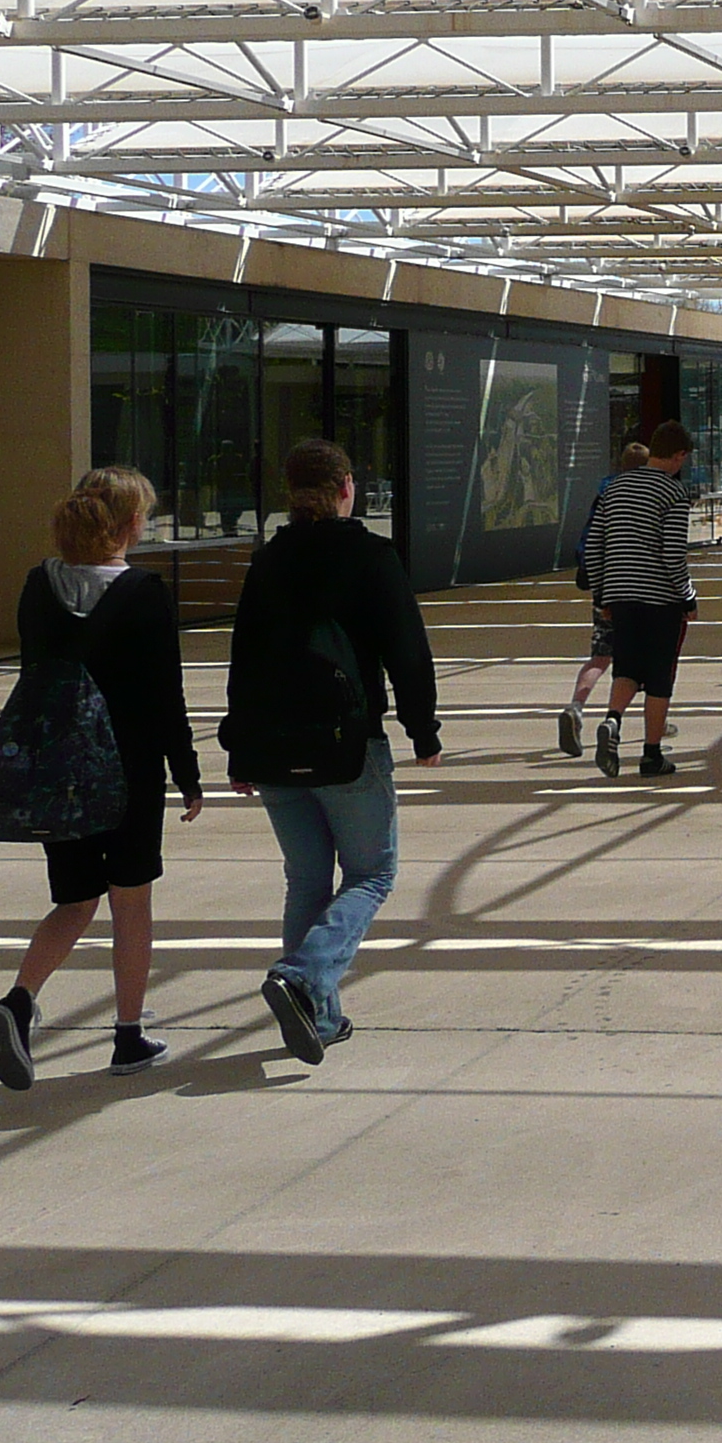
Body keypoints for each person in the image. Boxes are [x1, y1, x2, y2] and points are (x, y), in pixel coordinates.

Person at [221, 439, 441, 1066]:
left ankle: (320, 1018)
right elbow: (407, 649)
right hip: (346, 746)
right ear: (347, 486)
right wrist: (423, 730)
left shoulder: (268, 561)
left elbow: (243, 657)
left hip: (272, 748)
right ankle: (302, 977)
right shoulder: (370, 556)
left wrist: (239, 750)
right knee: (373, 875)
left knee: (308, 880)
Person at [0, 468, 200, 1089]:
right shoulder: (144, 591)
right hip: (127, 769)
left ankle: (18, 1001)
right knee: (130, 902)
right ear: (130, 524)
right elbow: (166, 695)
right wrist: (187, 773)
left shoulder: (37, 586)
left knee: (75, 898)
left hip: (56, 767)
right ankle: (128, 1036)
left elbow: (35, 670)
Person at [585, 421, 698, 778]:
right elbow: (672, 553)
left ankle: (612, 721)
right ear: (678, 455)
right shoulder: (675, 493)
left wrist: (603, 592)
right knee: (660, 677)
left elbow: (594, 545)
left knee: (627, 668)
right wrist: (688, 596)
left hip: (619, 594)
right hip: (660, 598)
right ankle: (651, 755)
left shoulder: (614, 489)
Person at [558, 441, 650, 761]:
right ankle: (655, 720)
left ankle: (575, 707)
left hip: (605, 590)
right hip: (639, 589)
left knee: (600, 656)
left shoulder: (604, 495)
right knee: (647, 657)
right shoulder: (646, 494)